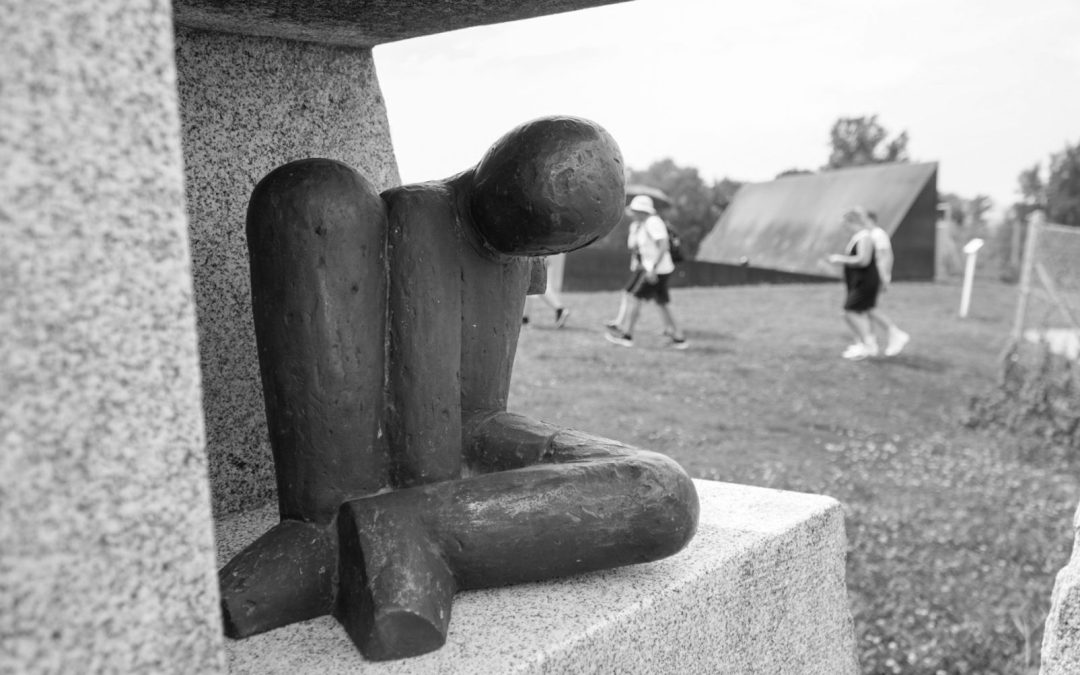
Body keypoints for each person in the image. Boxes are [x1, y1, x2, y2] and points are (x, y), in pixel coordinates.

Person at [605, 195, 687, 349]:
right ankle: (679, 338)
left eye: (635, 210)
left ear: (642, 211)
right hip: (657, 269)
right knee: (663, 303)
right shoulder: (644, 224)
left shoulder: (652, 222)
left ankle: (627, 336)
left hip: (657, 270)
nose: (633, 213)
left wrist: (653, 269)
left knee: (635, 298)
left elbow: (663, 245)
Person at [827, 208, 881, 360]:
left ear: (852, 222)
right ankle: (864, 344)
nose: (844, 228)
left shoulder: (864, 237)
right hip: (858, 282)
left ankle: (868, 345)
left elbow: (863, 260)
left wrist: (840, 259)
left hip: (865, 282)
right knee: (856, 313)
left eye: (845, 224)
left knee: (849, 312)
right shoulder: (858, 237)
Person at [865, 211, 910, 356]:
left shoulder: (878, 235)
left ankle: (895, 334)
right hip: (872, 277)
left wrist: (883, 277)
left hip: (876, 277)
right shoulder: (871, 235)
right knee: (868, 309)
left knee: (869, 308)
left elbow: (885, 257)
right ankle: (870, 343)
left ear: (870, 220)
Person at [522, 252, 570, 327]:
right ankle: (524, 318)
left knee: (539, 287)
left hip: (537, 260)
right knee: (529, 287)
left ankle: (560, 309)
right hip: (539, 259)